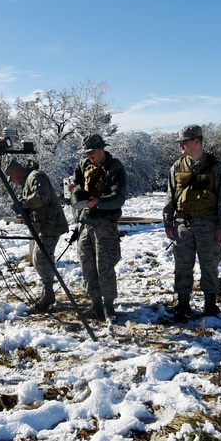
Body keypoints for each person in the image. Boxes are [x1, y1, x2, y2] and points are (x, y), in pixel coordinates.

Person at [162, 124, 221, 321]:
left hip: (209, 224)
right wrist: (168, 222)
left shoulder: (215, 167)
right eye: (179, 142)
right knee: (182, 265)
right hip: (183, 224)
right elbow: (171, 196)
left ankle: (210, 306)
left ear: (197, 141)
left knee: (209, 265)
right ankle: (182, 304)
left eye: (184, 142)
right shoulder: (177, 167)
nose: (180, 146)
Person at [69, 133, 127, 322]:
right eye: (86, 153)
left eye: (92, 152)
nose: (89, 156)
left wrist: (99, 202)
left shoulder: (115, 168)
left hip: (105, 224)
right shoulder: (84, 165)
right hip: (85, 224)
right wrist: (74, 188)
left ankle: (109, 307)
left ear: (102, 148)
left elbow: (119, 198)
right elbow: (76, 182)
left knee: (105, 267)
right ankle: (95, 306)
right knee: (87, 266)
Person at [4, 158, 69, 313]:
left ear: (17, 172)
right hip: (45, 225)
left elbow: (42, 196)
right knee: (40, 258)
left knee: (41, 258)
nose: (13, 182)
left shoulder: (35, 176)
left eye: (12, 178)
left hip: (50, 225)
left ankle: (48, 295)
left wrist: (23, 204)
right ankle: (48, 292)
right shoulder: (30, 178)